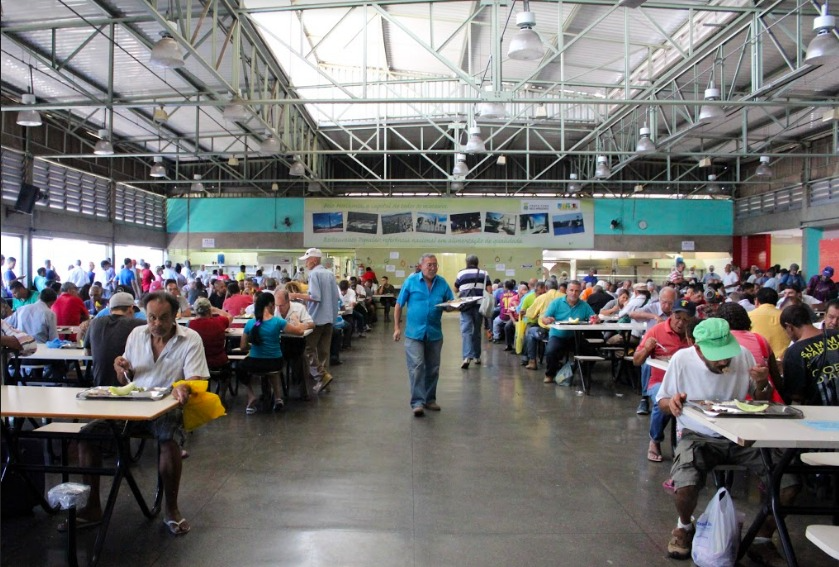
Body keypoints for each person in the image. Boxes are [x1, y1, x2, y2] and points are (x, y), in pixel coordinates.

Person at [74, 291, 209, 536]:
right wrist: (121, 368)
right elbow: (126, 377)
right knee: (88, 436)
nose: (157, 324)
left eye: (164, 318)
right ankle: (92, 506)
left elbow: (195, 378)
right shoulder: (136, 334)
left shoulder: (191, 339)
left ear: (175, 316)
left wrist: (185, 387)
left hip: (168, 405)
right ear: (143, 315)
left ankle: (171, 509)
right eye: (151, 318)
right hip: (133, 404)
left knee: (168, 441)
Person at [655, 318, 776, 561]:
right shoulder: (682, 359)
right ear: (698, 348)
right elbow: (662, 401)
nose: (723, 361)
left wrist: (762, 383)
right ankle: (684, 526)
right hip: (698, 435)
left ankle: (762, 536)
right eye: (716, 355)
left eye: (726, 354)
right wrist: (673, 402)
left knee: (787, 480)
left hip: (742, 435)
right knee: (685, 485)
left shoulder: (742, 355)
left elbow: (762, 397)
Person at [393, 254, 454, 417]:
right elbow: (399, 304)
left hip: (434, 333)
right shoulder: (411, 281)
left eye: (435, 265)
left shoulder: (442, 283)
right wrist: (396, 327)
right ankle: (417, 402)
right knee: (417, 367)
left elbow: (450, 302)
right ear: (421, 266)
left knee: (433, 368)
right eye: (429, 265)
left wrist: (450, 307)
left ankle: (430, 399)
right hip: (414, 333)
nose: (432, 267)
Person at [634, 299, 695, 462]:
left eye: (685, 319)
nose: (680, 323)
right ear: (671, 314)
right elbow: (636, 361)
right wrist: (647, 348)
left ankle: (694, 446)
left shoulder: (695, 335)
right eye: (677, 316)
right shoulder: (656, 331)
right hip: (660, 382)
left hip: (690, 385)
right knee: (664, 401)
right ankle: (655, 440)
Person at [240, 292, 308, 413]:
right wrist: (297, 321)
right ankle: (278, 398)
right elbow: (299, 332)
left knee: (240, 367)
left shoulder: (251, 323)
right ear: (271, 305)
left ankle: (251, 395)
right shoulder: (278, 322)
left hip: (254, 363)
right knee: (273, 371)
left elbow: (243, 346)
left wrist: (253, 348)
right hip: (274, 362)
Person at [289, 248, 340, 394]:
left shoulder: (314, 274)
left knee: (307, 349)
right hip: (329, 318)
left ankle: (321, 376)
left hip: (316, 319)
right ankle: (325, 383)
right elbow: (336, 297)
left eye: (307, 259)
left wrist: (296, 295)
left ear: (314, 260)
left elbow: (315, 297)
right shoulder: (329, 274)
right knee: (324, 352)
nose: (305, 263)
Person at [83, 292, 146, 387]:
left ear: (110, 310)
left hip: (100, 385)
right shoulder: (140, 324)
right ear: (130, 309)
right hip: (130, 386)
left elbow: (87, 352)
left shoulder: (94, 323)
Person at [780, 303, 838, 405]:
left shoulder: (794, 352)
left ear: (789, 327)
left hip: (821, 413)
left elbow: (795, 394)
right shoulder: (836, 334)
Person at [539, 280, 595, 384]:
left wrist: (595, 319)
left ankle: (584, 372)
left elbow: (593, 317)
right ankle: (550, 374)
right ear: (566, 291)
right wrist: (547, 320)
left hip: (575, 337)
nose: (574, 293)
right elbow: (544, 318)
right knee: (551, 351)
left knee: (592, 351)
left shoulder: (584, 305)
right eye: (571, 290)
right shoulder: (556, 303)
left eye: (577, 291)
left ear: (580, 292)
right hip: (558, 335)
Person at [453, 255, 490, 369]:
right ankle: (477, 356)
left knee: (466, 331)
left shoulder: (461, 273)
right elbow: (489, 290)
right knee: (477, 331)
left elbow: (455, 288)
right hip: (479, 306)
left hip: (465, 305)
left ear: (466, 262)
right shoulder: (484, 273)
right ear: (477, 262)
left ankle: (466, 357)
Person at [187, 297, 233, 378]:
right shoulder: (220, 321)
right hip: (219, 361)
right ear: (209, 310)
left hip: (198, 362)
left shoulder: (190, 324)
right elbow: (230, 316)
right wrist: (216, 309)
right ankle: (222, 390)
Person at [748, 287, 789, 359]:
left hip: (759, 360)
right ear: (776, 302)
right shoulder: (786, 315)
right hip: (784, 358)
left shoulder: (749, 316)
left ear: (756, 301)